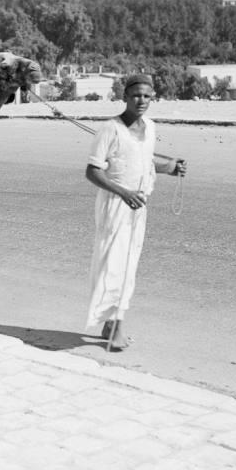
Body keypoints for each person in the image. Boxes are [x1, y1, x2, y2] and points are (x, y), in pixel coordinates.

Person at [84, 74, 186, 350]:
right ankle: (115, 326)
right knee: (113, 264)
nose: (141, 101)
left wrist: (170, 168)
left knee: (128, 266)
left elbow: (143, 159)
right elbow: (92, 172)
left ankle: (111, 322)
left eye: (147, 96)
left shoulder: (150, 128)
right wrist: (123, 192)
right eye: (136, 95)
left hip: (137, 205)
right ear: (125, 97)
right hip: (115, 204)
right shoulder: (110, 129)